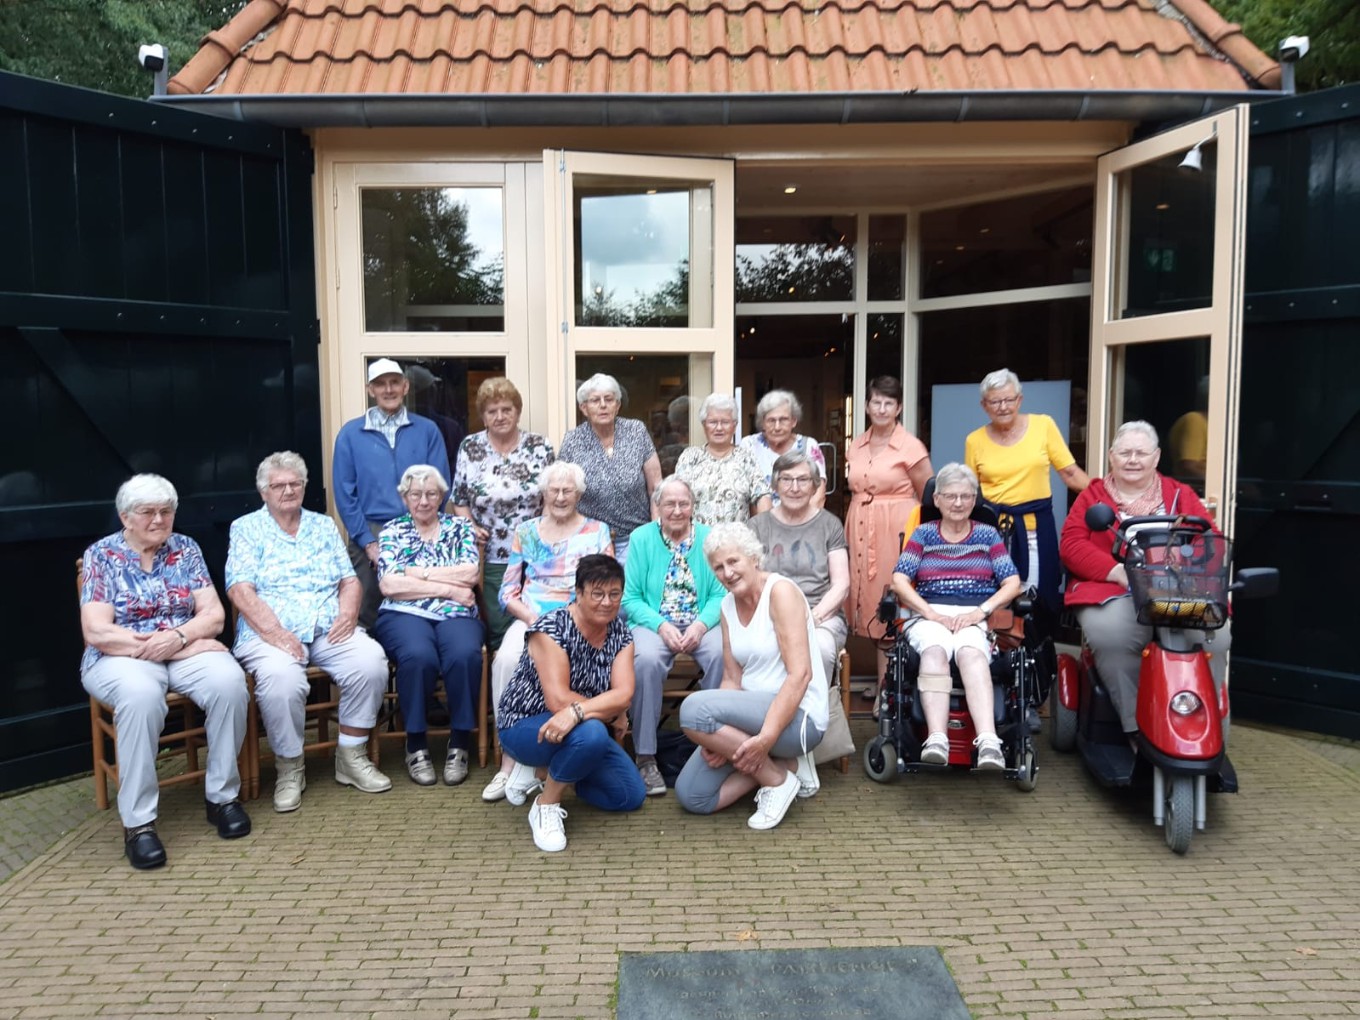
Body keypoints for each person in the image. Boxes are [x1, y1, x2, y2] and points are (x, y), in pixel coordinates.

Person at [79, 474, 251, 870]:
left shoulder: (186, 550)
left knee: (229, 682)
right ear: (125, 517)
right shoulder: (101, 556)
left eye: (166, 511)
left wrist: (177, 638)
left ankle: (222, 798)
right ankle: (138, 825)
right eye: (147, 512)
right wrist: (161, 645)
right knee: (140, 698)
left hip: (179, 648)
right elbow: (97, 631)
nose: (159, 519)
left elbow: (214, 614)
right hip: (119, 657)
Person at [227, 452, 392, 813]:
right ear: (264, 492)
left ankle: (351, 756)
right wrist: (274, 632)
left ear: (304, 486)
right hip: (270, 631)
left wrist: (348, 613)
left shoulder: (323, 525)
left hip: (325, 626)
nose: (288, 490)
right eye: (279, 485)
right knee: (282, 680)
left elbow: (349, 579)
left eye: (295, 483)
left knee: (371, 662)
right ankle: (289, 767)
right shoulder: (245, 528)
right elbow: (239, 589)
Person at [1060, 421, 1232, 738]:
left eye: (1142, 453)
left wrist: (1183, 567)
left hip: (1177, 592)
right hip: (1114, 589)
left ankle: (1202, 725)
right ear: (1112, 456)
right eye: (1125, 452)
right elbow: (1071, 545)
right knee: (1113, 636)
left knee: (1215, 636)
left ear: (1156, 458)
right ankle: (1136, 728)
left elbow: (1211, 539)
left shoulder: (1180, 494)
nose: (1133, 459)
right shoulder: (1093, 496)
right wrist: (1116, 571)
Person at [675, 523, 828, 830]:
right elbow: (732, 680)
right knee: (692, 796)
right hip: (751, 719)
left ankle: (776, 782)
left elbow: (800, 675)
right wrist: (717, 739)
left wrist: (766, 739)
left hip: (797, 720)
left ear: (754, 558)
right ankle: (789, 766)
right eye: (718, 567)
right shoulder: (726, 606)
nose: (727, 572)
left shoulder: (780, 592)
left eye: (733, 562)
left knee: (692, 710)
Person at [496, 555, 647, 852]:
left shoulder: (620, 633)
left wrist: (588, 711)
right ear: (578, 594)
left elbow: (624, 694)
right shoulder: (551, 627)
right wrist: (603, 714)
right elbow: (558, 699)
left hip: (579, 728)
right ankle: (546, 804)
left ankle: (546, 773)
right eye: (597, 594)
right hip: (524, 724)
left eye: (614, 594)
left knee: (629, 795)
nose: (607, 602)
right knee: (592, 732)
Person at [484, 461, 614, 802]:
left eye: (567, 490)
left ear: (579, 495)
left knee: (574, 673)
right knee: (506, 660)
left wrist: (575, 616)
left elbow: (605, 585)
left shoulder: (597, 531)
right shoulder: (526, 531)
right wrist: (531, 619)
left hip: (579, 619)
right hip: (531, 616)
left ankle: (553, 755)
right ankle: (509, 761)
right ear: (543, 493)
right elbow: (508, 591)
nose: (559, 496)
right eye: (553, 490)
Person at [890, 463, 1022, 770]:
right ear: (936, 500)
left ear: (975, 499)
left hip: (975, 614)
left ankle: (989, 742)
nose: (958, 503)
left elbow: (1012, 583)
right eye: (950, 496)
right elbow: (899, 579)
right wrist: (929, 613)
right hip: (929, 613)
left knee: (971, 654)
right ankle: (937, 739)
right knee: (934, 653)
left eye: (965, 496)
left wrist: (981, 612)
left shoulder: (988, 535)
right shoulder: (923, 534)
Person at [373, 464, 484, 788]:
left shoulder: (459, 527)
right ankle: (416, 744)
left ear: (442, 496)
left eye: (431, 494)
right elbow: (389, 585)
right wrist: (447, 587)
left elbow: (470, 574)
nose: (423, 501)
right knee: (418, 657)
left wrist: (416, 573)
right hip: (404, 612)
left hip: (456, 613)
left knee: (464, 654)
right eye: (416, 494)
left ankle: (460, 742)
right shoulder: (392, 530)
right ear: (405, 497)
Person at [621, 477, 727, 796]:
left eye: (684, 503)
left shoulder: (710, 538)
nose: (677, 510)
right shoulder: (641, 538)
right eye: (670, 504)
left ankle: (712, 744)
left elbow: (722, 594)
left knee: (723, 654)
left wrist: (699, 626)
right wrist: (660, 626)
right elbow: (631, 598)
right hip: (655, 623)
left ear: (693, 506)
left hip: (702, 623)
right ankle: (646, 756)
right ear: (658, 507)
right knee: (646, 660)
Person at [333, 358, 451, 628]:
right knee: (368, 615)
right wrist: (367, 542)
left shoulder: (427, 430)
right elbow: (344, 495)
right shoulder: (350, 434)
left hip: (420, 528)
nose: (388, 389)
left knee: (419, 608)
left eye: (394, 382)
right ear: (369, 390)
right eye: (380, 384)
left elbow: (440, 486)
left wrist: (425, 532)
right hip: (371, 532)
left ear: (406, 386)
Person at [964, 368, 1088, 617]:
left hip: (1034, 529)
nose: (1003, 407)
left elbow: (1071, 474)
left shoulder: (1043, 425)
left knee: (1036, 596)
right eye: (995, 401)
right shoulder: (974, 440)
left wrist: (1107, 496)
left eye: (1009, 399)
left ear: (1019, 400)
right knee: (994, 597)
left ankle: (1035, 652)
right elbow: (970, 493)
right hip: (993, 533)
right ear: (984, 405)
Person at [452, 377, 555, 653]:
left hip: (533, 552)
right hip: (491, 555)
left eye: (506, 409)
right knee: (497, 629)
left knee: (535, 624)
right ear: (483, 417)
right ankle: (503, 691)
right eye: (492, 411)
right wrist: (469, 525)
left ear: (517, 412)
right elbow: (459, 500)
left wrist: (542, 529)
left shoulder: (539, 447)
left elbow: (551, 496)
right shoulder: (470, 448)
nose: (500, 416)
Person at [844, 376, 933, 690]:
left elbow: (929, 495)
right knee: (865, 598)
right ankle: (886, 680)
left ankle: (890, 688)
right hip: (860, 525)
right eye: (876, 402)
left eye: (888, 403)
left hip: (895, 528)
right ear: (867, 406)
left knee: (890, 598)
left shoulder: (911, 446)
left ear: (898, 408)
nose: (881, 408)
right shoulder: (857, 444)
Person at [747, 449, 850, 690]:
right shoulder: (757, 526)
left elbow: (841, 584)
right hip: (769, 616)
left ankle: (814, 720)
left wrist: (812, 618)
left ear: (815, 486)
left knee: (821, 650)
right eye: (786, 479)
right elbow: (750, 580)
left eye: (803, 480)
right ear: (775, 485)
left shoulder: (829, 524)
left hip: (821, 616)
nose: (794, 487)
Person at [557, 373, 662, 565]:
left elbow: (656, 487)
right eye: (595, 400)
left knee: (632, 592)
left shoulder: (636, 431)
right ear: (584, 408)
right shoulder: (573, 440)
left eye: (609, 399)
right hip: (590, 538)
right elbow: (559, 490)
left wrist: (655, 532)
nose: (603, 405)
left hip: (636, 536)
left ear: (618, 405)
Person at [674, 393, 771, 524]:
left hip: (737, 541)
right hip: (699, 541)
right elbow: (677, 498)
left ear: (734, 426)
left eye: (725, 422)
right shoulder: (690, 457)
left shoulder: (746, 458)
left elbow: (762, 496)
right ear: (704, 425)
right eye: (713, 422)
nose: (719, 428)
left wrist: (765, 531)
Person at [740, 389, 827, 509]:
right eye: (771, 420)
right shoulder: (749, 445)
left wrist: (802, 524)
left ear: (794, 421)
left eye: (783, 420)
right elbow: (743, 494)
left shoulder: (809, 446)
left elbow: (819, 495)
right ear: (762, 423)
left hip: (802, 524)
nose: (777, 427)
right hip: (760, 524)